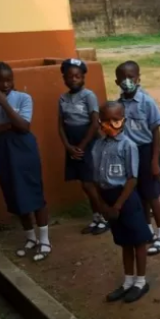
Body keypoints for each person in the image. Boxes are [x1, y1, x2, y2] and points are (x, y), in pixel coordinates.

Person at [88, 101, 153, 303]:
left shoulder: (128, 145)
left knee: (138, 241)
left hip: (125, 198)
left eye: (116, 120)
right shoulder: (97, 146)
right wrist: (103, 205)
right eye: (106, 120)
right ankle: (127, 281)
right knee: (124, 242)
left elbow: (132, 179)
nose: (111, 124)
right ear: (100, 122)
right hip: (107, 198)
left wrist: (117, 205)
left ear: (123, 120)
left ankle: (141, 282)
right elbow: (96, 178)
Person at [0, 62, 51, 261]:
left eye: (10, 79)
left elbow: (24, 127)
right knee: (14, 192)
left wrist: (4, 104)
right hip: (3, 151)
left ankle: (44, 240)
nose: (7, 84)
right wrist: (10, 125)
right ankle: (30, 238)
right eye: (1, 81)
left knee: (33, 190)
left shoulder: (24, 98)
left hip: (24, 150)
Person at [116, 61, 160, 256]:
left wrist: (155, 160)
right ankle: (147, 230)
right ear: (116, 81)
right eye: (122, 78)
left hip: (147, 152)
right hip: (129, 154)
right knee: (139, 195)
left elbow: (155, 131)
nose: (127, 81)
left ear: (138, 78)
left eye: (130, 77)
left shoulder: (146, 101)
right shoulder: (119, 105)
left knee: (152, 195)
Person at [58, 58, 103, 235]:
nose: (73, 79)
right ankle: (97, 216)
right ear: (64, 79)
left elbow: (94, 123)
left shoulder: (88, 96)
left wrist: (82, 146)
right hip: (72, 144)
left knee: (91, 182)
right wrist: (68, 146)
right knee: (85, 184)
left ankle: (103, 217)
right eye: (70, 77)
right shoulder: (62, 98)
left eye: (77, 76)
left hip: (88, 142)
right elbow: (60, 125)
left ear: (83, 77)